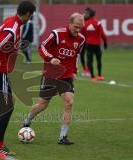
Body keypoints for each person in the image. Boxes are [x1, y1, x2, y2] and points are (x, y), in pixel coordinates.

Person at [0, 1, 36, 158]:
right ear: (28, 14)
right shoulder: (12, 28)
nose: (30, 18)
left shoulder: (11, 22)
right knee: (7, 106)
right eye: (31, 16)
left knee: (1, 105)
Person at [22, 13, 85, 145]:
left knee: (69, 102)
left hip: (66, 75)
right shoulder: (57, 34)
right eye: (76, 27)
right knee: (42, 105)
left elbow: (76, 55)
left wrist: (74, 69)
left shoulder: (81, 39)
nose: (78, 30)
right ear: (69, 23)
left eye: (80, 28)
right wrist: (51, 58)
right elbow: (42, 47)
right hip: (50, 74)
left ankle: (63, 137)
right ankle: (27, 120)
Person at [83, 7, 107, 81]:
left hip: (88, 44)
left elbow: (82, 34)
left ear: (90, 14)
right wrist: (105, 43)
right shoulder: (98, 23)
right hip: (97, 44)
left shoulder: (85, 24)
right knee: (98, 60)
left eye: (86, 13)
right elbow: (103, 34)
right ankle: (99, 75)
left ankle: (93, 77)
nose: (85, 14)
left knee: (90, 60)